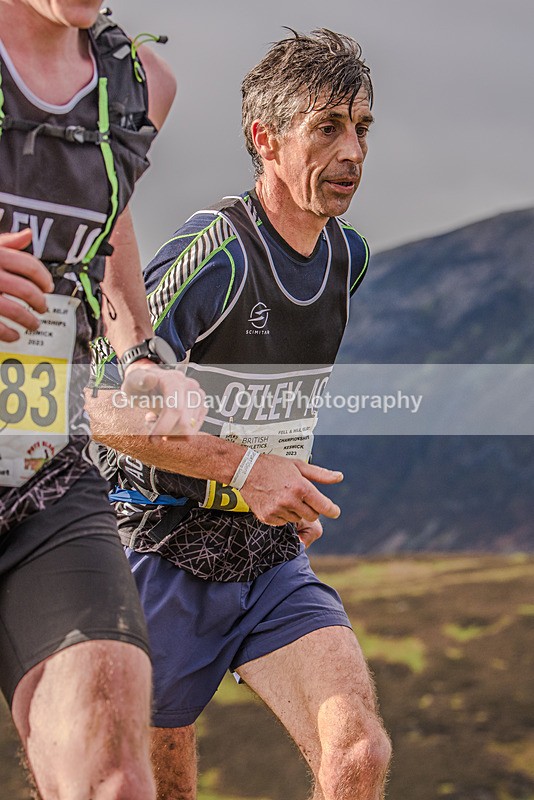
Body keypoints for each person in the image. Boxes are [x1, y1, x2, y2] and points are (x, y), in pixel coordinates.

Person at [88, 28, 391, 800]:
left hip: (267, 556)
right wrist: (247, 469)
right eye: (328, 128)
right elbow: (102, 410)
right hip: (157, 551)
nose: (353, 151)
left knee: (357, 758)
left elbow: (269, 396)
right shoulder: (215, 253)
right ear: (265, 139)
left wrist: (278, 480)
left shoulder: (346, 256)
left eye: (362, 127)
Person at [0, 2, 205, 798]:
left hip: (45, 482)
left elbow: (105, 216)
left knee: (116, 782)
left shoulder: (137, 86)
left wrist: (138, 356)